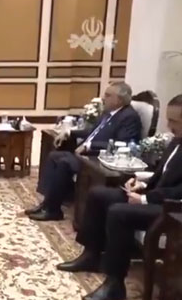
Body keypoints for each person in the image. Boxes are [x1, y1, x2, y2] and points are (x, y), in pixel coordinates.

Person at [57, 94, 182, 300]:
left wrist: (145, 199)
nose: (169, 126)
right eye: (168, 120)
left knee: (119, 213)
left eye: (174, 121)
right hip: (156, 196)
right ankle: (91, 255)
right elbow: (164, 175)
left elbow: (179, 190)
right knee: (98, 194)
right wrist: (141, 182)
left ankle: (115, 284)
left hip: (172, 210)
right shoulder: (177, 140)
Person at [27, 82, 142, 221]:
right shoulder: (108, 112)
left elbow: (122, 143)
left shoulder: (129, 117)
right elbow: (92, 132)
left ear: (119, 100)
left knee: (64, 162)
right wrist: (70, 132)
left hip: (97, 159)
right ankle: (47, 203)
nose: (103, 98)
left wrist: (90, 146)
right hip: (86, 155)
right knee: (54, 156)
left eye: (107, 95)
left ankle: (53, 211)